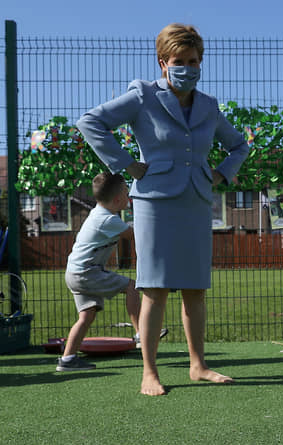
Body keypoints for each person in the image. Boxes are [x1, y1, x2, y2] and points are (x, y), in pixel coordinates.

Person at [77, 23, 249, 395]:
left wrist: (220, 174)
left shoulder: (208, 106)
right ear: (162, 63)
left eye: (193, 61)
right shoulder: (142, 96)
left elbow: (239, 145)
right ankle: (149, 372)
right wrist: (126, 164)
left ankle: (198, 365)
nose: (187, 67)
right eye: (179, 61)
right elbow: (91, 122)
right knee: (154, 288)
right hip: (154, 204)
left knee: (195, 289)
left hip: (197, 202)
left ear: (201, 62)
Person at [58, 172, 169, 370]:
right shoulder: (106, 220)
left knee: (86, 317)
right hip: (85, 272)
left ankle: (67, 359)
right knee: (131, 286)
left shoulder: (100, 214)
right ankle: (141, 334)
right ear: (118, 199)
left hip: (75, 272)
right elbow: (134, 236)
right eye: (127, 193)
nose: (130, 197)